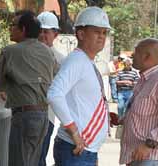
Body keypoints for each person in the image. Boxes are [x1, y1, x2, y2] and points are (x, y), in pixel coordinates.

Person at [47, 7, 115, 165]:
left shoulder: (86, 62)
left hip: (84, 150)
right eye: (97, 32)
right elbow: (54, 94)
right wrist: (75, 133)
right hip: (76, 148)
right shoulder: (77, 60)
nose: (101, 37)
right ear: (81, 34)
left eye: (104, 32)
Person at [0, 10, 58, 166]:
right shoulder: (48, 52)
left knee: (18, 162)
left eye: (13, 25)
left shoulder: (10, 51)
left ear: (23, 30)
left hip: (24, 116)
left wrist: (7, 87)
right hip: (43, 116)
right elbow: (55, 74)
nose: (10, 28)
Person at [119, 38, 158, 166]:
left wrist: (148, 145)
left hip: (151, 157)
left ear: (146, 56)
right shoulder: (145, 79)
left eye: (136, 52)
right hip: (136, 155)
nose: (132, 56)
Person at [37, 11, 65, 166]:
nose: (42, 35)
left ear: (55, 34)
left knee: (40, 158)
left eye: (46, 32)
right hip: (23, 114)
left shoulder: (61, 61)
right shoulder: (26, 53)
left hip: (47, 116)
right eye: (39, 31)